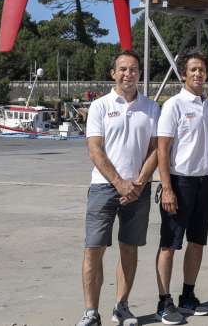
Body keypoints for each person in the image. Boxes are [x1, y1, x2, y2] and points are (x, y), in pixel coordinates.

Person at [77, 50, 160, 326]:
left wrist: (139, 183)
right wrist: (119, 183)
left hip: (138, 189)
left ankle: (122, 306)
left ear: (140, 73)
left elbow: (155, 150)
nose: (128, 74)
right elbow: (95, 149)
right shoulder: (100, 106)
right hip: (104, 188)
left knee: (129, 247)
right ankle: (91, 312)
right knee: (94, 247)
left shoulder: (151, 108)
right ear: (113, 73)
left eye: (133, 69)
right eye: (122, 69)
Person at [154, 50, 208, 325]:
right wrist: (167, 188)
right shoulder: (173, 105)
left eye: (202, 70)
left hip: (205, 182)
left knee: (197, 242)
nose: (198, 74)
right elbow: (162, 150)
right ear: (184, 74)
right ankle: (164, 300)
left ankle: (187, 296)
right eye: (193, 70)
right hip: (179, 182)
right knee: (169, 244)